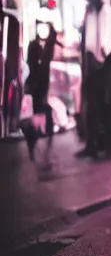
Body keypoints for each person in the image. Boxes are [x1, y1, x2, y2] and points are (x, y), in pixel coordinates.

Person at [23, 23, 57, 166]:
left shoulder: (35, 67)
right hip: (39, 93)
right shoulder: (42, 64)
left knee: (40, 119)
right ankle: (41, 154)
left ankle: (38, 152)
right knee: (44, 120)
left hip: (36, 92)